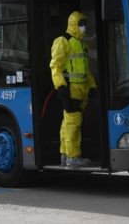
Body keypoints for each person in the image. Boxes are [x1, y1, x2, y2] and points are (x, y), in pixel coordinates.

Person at [50, 10, 97, 169]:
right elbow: (55, 66)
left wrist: (92, 86)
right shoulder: (63, 41)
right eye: (81, 24)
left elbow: (86, 70)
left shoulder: (81, 44)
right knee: (73, 123)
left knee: (68, 123)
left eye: (84, 24)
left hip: (81, 90)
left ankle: (65, 154)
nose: (84, 27)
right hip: (71, 90)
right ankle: (73, 157)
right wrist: (61, 86)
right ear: (73, 24)